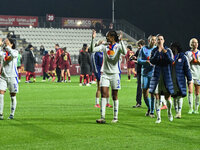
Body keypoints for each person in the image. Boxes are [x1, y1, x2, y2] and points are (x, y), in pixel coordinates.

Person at [91, 30, 127, 124]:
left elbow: (124, 52)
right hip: (105, 74)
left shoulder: (118, 46)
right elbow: (92, 50)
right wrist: (92, 39)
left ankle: (115, 117)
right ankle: (102, 117)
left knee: (114, 95)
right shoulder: (104, 47)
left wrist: (121, 41)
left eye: (108, 36)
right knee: (103, 93)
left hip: (115, 74)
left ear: (112, 37)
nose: (106, 37)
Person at [149, 34, 174, 124]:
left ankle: (169, 112)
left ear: (164, 40)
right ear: (156, 41)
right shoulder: (154, 50)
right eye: (158, 39)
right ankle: (158, 117)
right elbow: (152, 61)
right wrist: (158, 51)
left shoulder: (168, 50)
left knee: (168, 98)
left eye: (161, 39)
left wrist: (164, 51)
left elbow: (171, 61)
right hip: (157, 76)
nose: (160, 41)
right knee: (157, 97)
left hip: (166, 76)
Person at [170, 42, 192, 118]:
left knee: (180, 96)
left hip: (180, 80)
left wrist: (189, 79)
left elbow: (187, 69)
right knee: (174, 97)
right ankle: (176, 112)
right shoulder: (170, 57)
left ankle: (179, 112)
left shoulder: (183, 57)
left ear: (176, 47)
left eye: (173, 47)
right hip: (172, 79)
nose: (172, 49)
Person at [137, 35, 156, 117]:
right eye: (152, 40)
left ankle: (152, 111)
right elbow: (139, 60)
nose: (154, 41)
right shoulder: (143, 49)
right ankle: (149, 107)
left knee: (152, 93)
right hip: (144, 73)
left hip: (153, 74)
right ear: (149, 40)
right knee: (145, 94)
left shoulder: (156, 50)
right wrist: (146, 62)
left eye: (155, 40)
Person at [0, 38, 18, 120]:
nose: (6, 43)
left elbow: (13, 56)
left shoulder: (15, 52)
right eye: (5, 42)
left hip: (12, 77)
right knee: (1, 94)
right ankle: (0, 113)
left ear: (12, 44)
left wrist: (7, 47)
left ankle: (12, 114)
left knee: (12, 96)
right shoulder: (2, 53)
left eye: (8, 42)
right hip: (3, 76)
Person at [91, 41, 112, 108]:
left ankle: (107, 103)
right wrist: (98, 74)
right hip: (99, 73)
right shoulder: (95, 53)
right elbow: (95, 65)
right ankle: (97, 103)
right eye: (102, 43)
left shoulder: (104, 52)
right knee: (99, 88)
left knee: (107, 88)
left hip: (105, 72)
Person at [185, 38, 200, 114]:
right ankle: (190, 108)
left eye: (196, 42)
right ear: (190, 44)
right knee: (190, 91)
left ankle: (196, 109)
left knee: (197, 92)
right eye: (193, 42)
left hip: (198, 74)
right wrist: (192, 60)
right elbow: (186, 64)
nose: (194, 44)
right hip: (190, 74)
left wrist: (197, 61)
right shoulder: (187, 53)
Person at [131, 39, 145, 108]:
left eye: (139, 46)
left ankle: (139, 102)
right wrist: (134, 57)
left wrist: (136, 61)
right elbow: (135, 56)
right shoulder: (139, 50)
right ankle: (138, 102)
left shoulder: (145, 51)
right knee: (140, 87)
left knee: (142, 87)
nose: (138, 47)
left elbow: (144, 60)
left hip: (144, 71)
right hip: (140, 71)